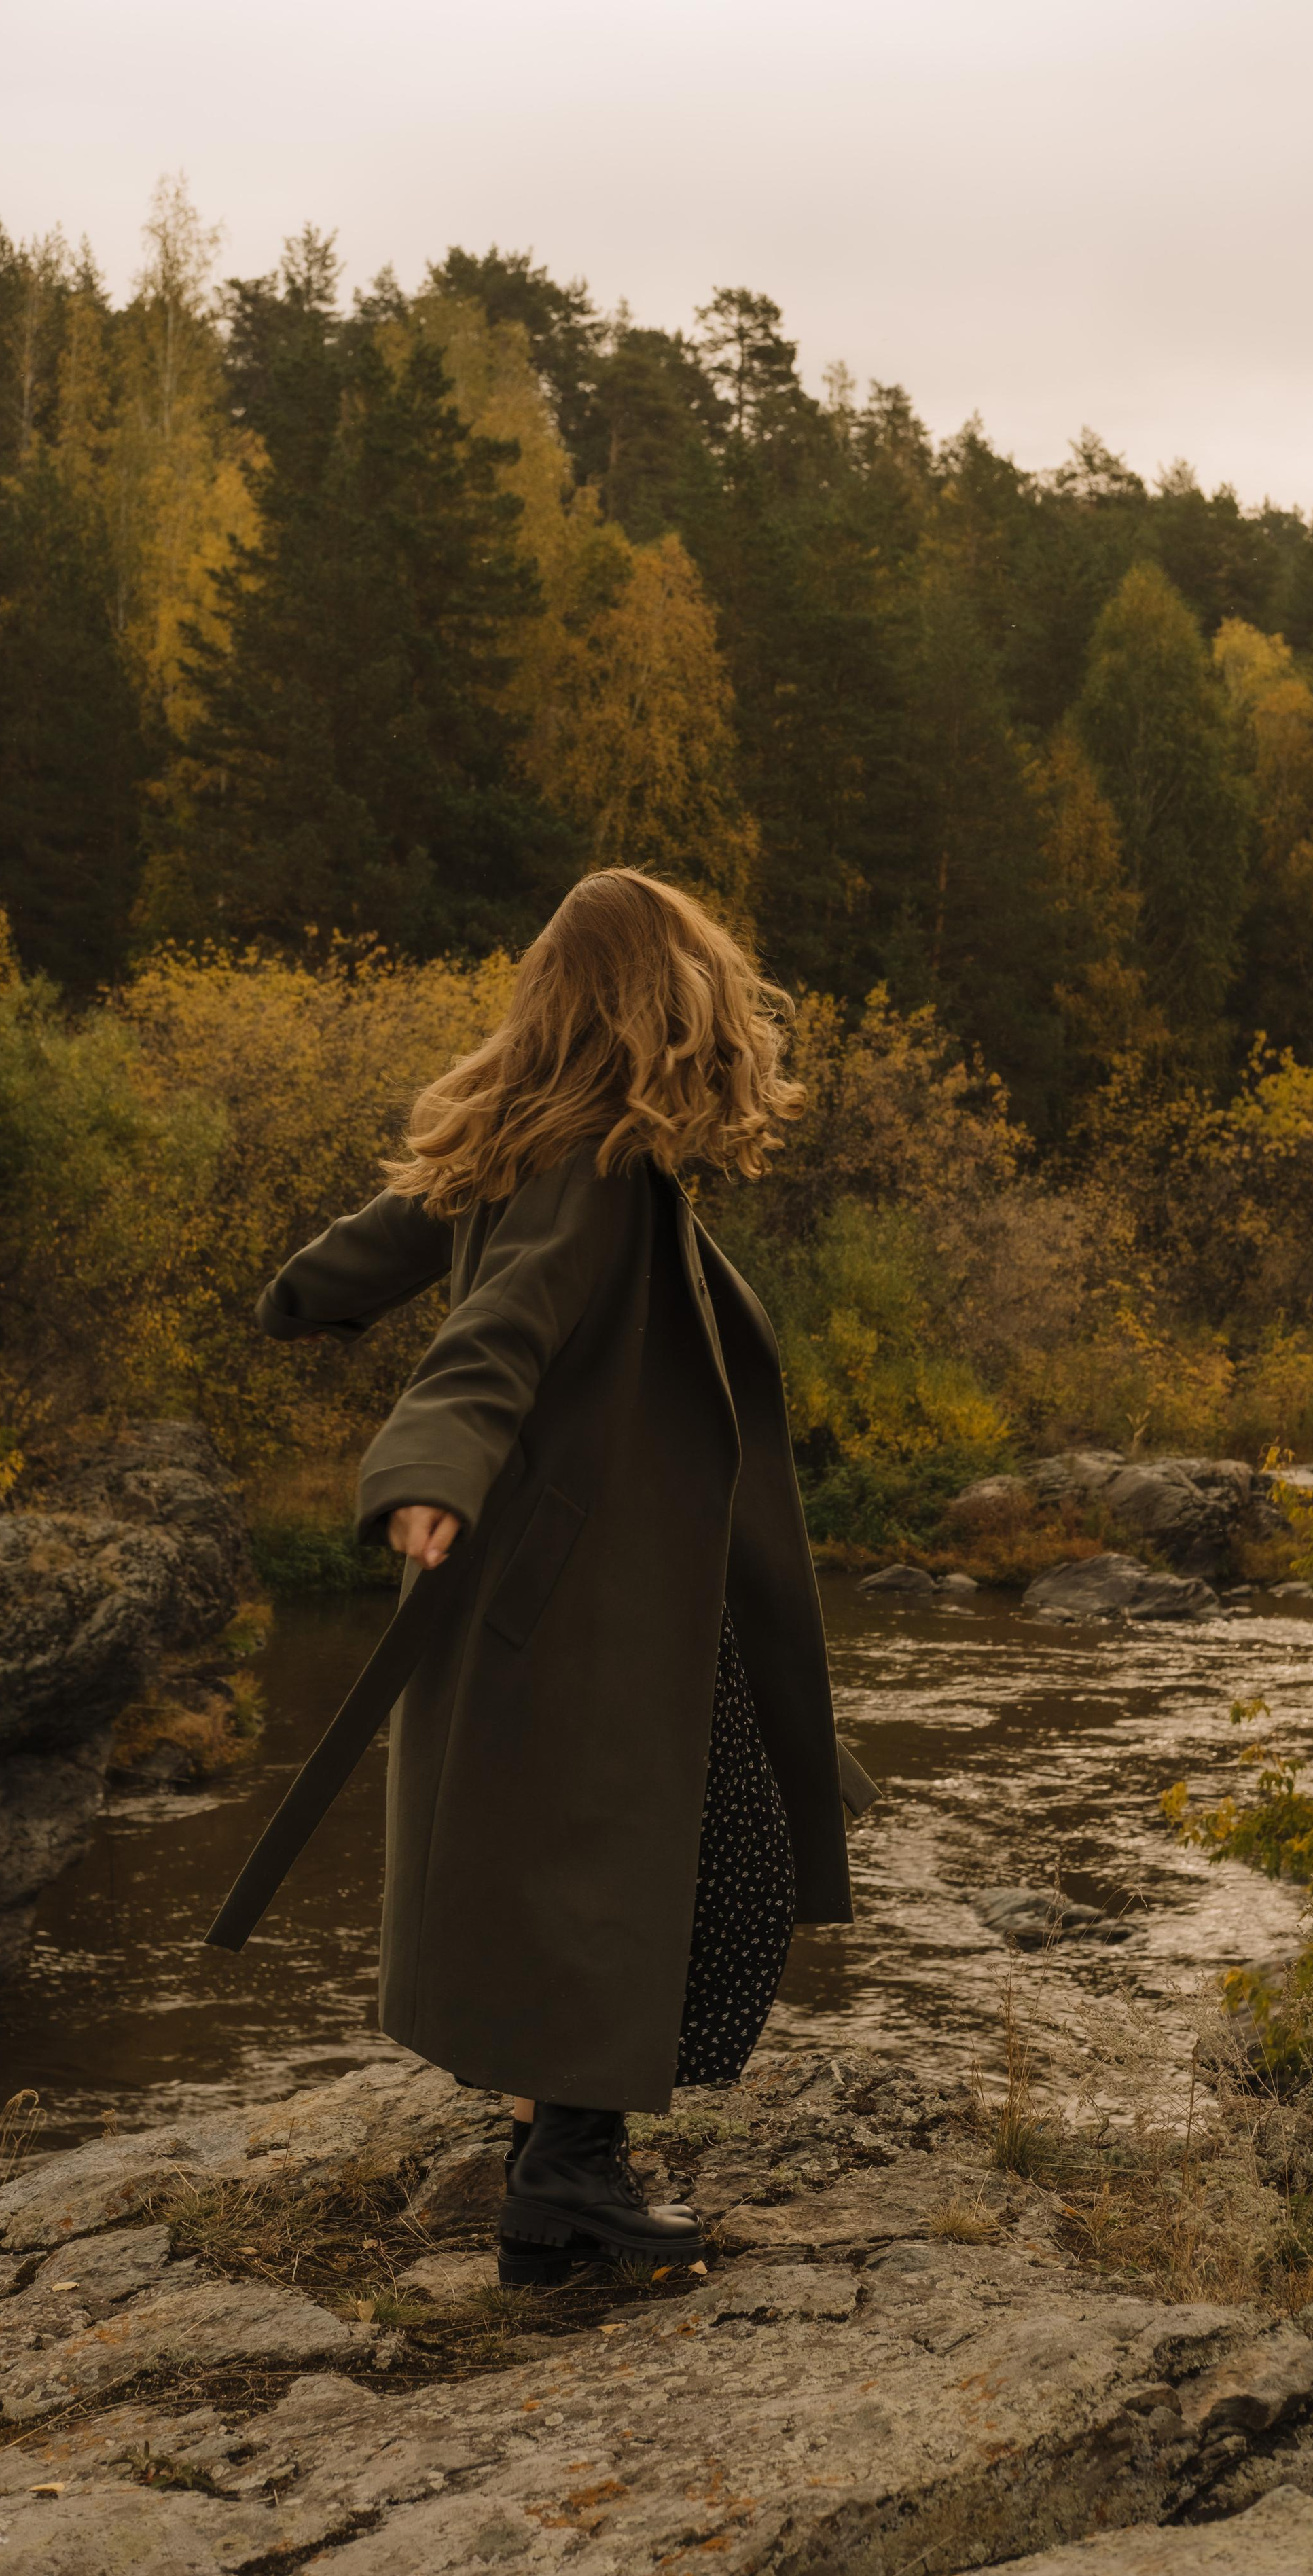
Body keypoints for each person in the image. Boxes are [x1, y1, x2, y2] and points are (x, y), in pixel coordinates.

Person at [255, 868, 874, 2281]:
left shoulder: (528, 1148)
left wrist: (307, 1292)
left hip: (589, 1593)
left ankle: (557, 2171)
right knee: (659, 1865)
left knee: (615, 1860)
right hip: (588, 1601)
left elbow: (395, 1242)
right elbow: (494, 1333)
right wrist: (423, 1467)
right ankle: (569, 2173)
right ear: (671, 1005)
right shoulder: (584, 1169)